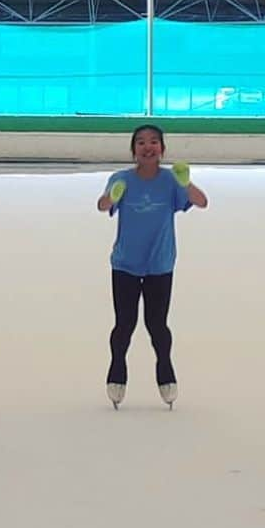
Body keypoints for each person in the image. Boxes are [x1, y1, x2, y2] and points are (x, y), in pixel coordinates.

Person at [96, 124, 207, 410]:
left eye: (154, 142)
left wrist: (186, 183)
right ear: (134, 151)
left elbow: (202, 202)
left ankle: (165, 371)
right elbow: (102, 205)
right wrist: (114, 196)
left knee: (156, 324)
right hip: (126, 264)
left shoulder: (171, 181)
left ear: (162, 149)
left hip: (159, 264)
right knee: (125, 323)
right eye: (142, 143)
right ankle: (117, 370)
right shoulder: (121, 178)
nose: (148, 147)